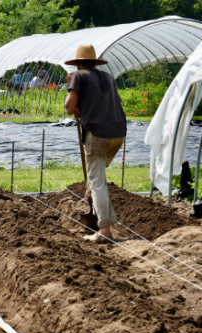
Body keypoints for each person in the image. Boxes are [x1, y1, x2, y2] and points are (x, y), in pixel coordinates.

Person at [64, 44, 127, 243]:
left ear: (78, 63)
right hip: (118, 133)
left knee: (96, 181)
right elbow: (99, 104)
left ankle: (104, 231)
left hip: (98, 134)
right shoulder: (107, 77)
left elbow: (69, 107)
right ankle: (104, 216)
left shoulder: (78, 76)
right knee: (97, 176)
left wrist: (71, 86)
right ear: (94, 62)